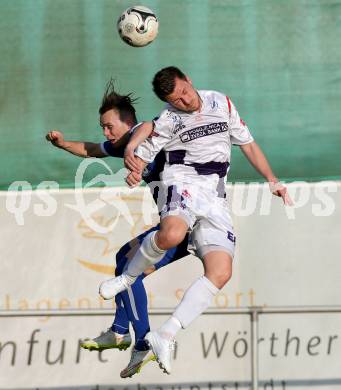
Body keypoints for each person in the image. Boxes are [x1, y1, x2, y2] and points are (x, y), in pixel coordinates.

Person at [99, 66, 292, 375]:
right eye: (176, 100)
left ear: (188, 79)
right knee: (171, 233)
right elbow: (147, 137)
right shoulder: (169, 119)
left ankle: (165, 335)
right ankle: (126, 281)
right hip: (183, 185)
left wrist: (272, 180)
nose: (185, 102)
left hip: (215, 198)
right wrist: (135, 160)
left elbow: (249, 144)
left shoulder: (222, 103)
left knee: (221, 272)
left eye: (185, 93)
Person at [45, 80, 191, 378]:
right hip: (175, 224)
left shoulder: (151, 134)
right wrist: (61, 143)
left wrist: (137, 150)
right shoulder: (125, 144)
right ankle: (121, 331)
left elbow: (149, 127)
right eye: (103, 127)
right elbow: (91, 150)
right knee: (124, 262)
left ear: (128, 121)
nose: (105, 132)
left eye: (109, 126)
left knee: (128, 268)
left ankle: (138, 340)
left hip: (189, 225)